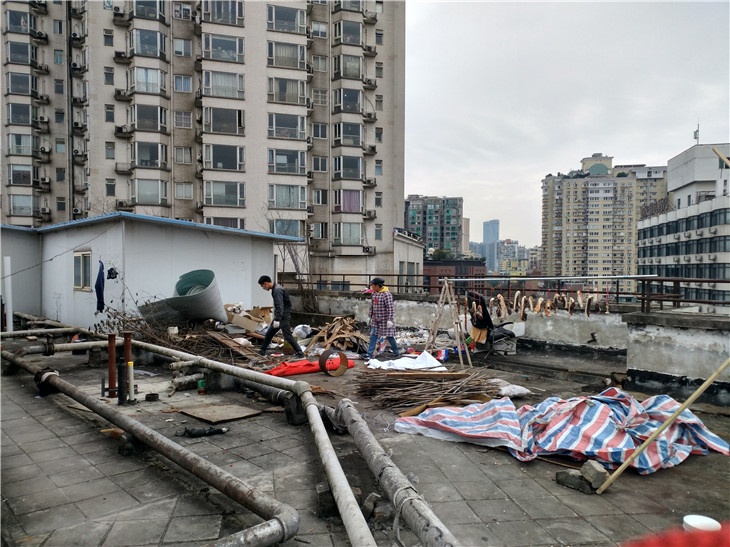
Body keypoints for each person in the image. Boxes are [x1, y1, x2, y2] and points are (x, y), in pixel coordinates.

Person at [257, 275, 305, 359]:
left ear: (265, 283)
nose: (263, 288)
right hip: (281, 315)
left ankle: (300, 353)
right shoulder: (276, 288)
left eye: (262, 286)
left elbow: (279, 306)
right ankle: (262, 351)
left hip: (283, 316)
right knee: (269, 333)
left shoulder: (277, 290)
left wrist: (277, 319)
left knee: (287, 335)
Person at [366, 277, 399, 359]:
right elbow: (371, 306)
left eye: (373, 285)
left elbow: (390, 307)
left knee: (389, 336)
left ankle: (396, 352)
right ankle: (370, 353)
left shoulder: (386, 295)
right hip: (375, 319)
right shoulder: (374, 294)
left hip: (385, 320)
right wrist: (369, 316)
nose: (372, 287)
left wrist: (390, 319)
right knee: (373, 335)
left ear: (377, 285)